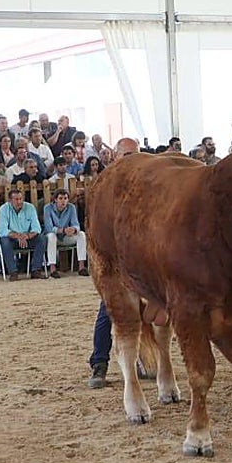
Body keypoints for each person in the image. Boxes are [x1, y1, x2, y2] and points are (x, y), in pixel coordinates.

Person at [87, 137, 140, 388]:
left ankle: (143, 362)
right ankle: (99, 363)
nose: (132, 160)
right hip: (115, 263)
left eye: (136, 155)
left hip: (142, 262)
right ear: (115, 156)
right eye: (127, 155)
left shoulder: (144, 186)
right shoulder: (105, 187)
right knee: (109, 310)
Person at [0, 187, 46, 280]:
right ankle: (13, 272)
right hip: (12, 239)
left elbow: (37, 228)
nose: (19, 202)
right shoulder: (3, 209)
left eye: (20, 199)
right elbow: (2, 230)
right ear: (10, 200)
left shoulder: (30, 207)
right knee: (5, 242)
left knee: (42, 239)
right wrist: (18, 236)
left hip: (27, 238)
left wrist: (26, 236)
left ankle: (36, 270)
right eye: (16, 199)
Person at [43, 189, 87, 277]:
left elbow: (76, 224)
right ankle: (52, 269)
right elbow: (48, 228)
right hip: (53, 237)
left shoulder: (71, 207)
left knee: (81, 234)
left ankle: (81, 267)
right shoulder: (47, 208)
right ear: (55, 200)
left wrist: (73, 229)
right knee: (51, 236)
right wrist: (63, 230)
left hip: (66, 235)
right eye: (60, 198)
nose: (63, 201)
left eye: (65, 198)